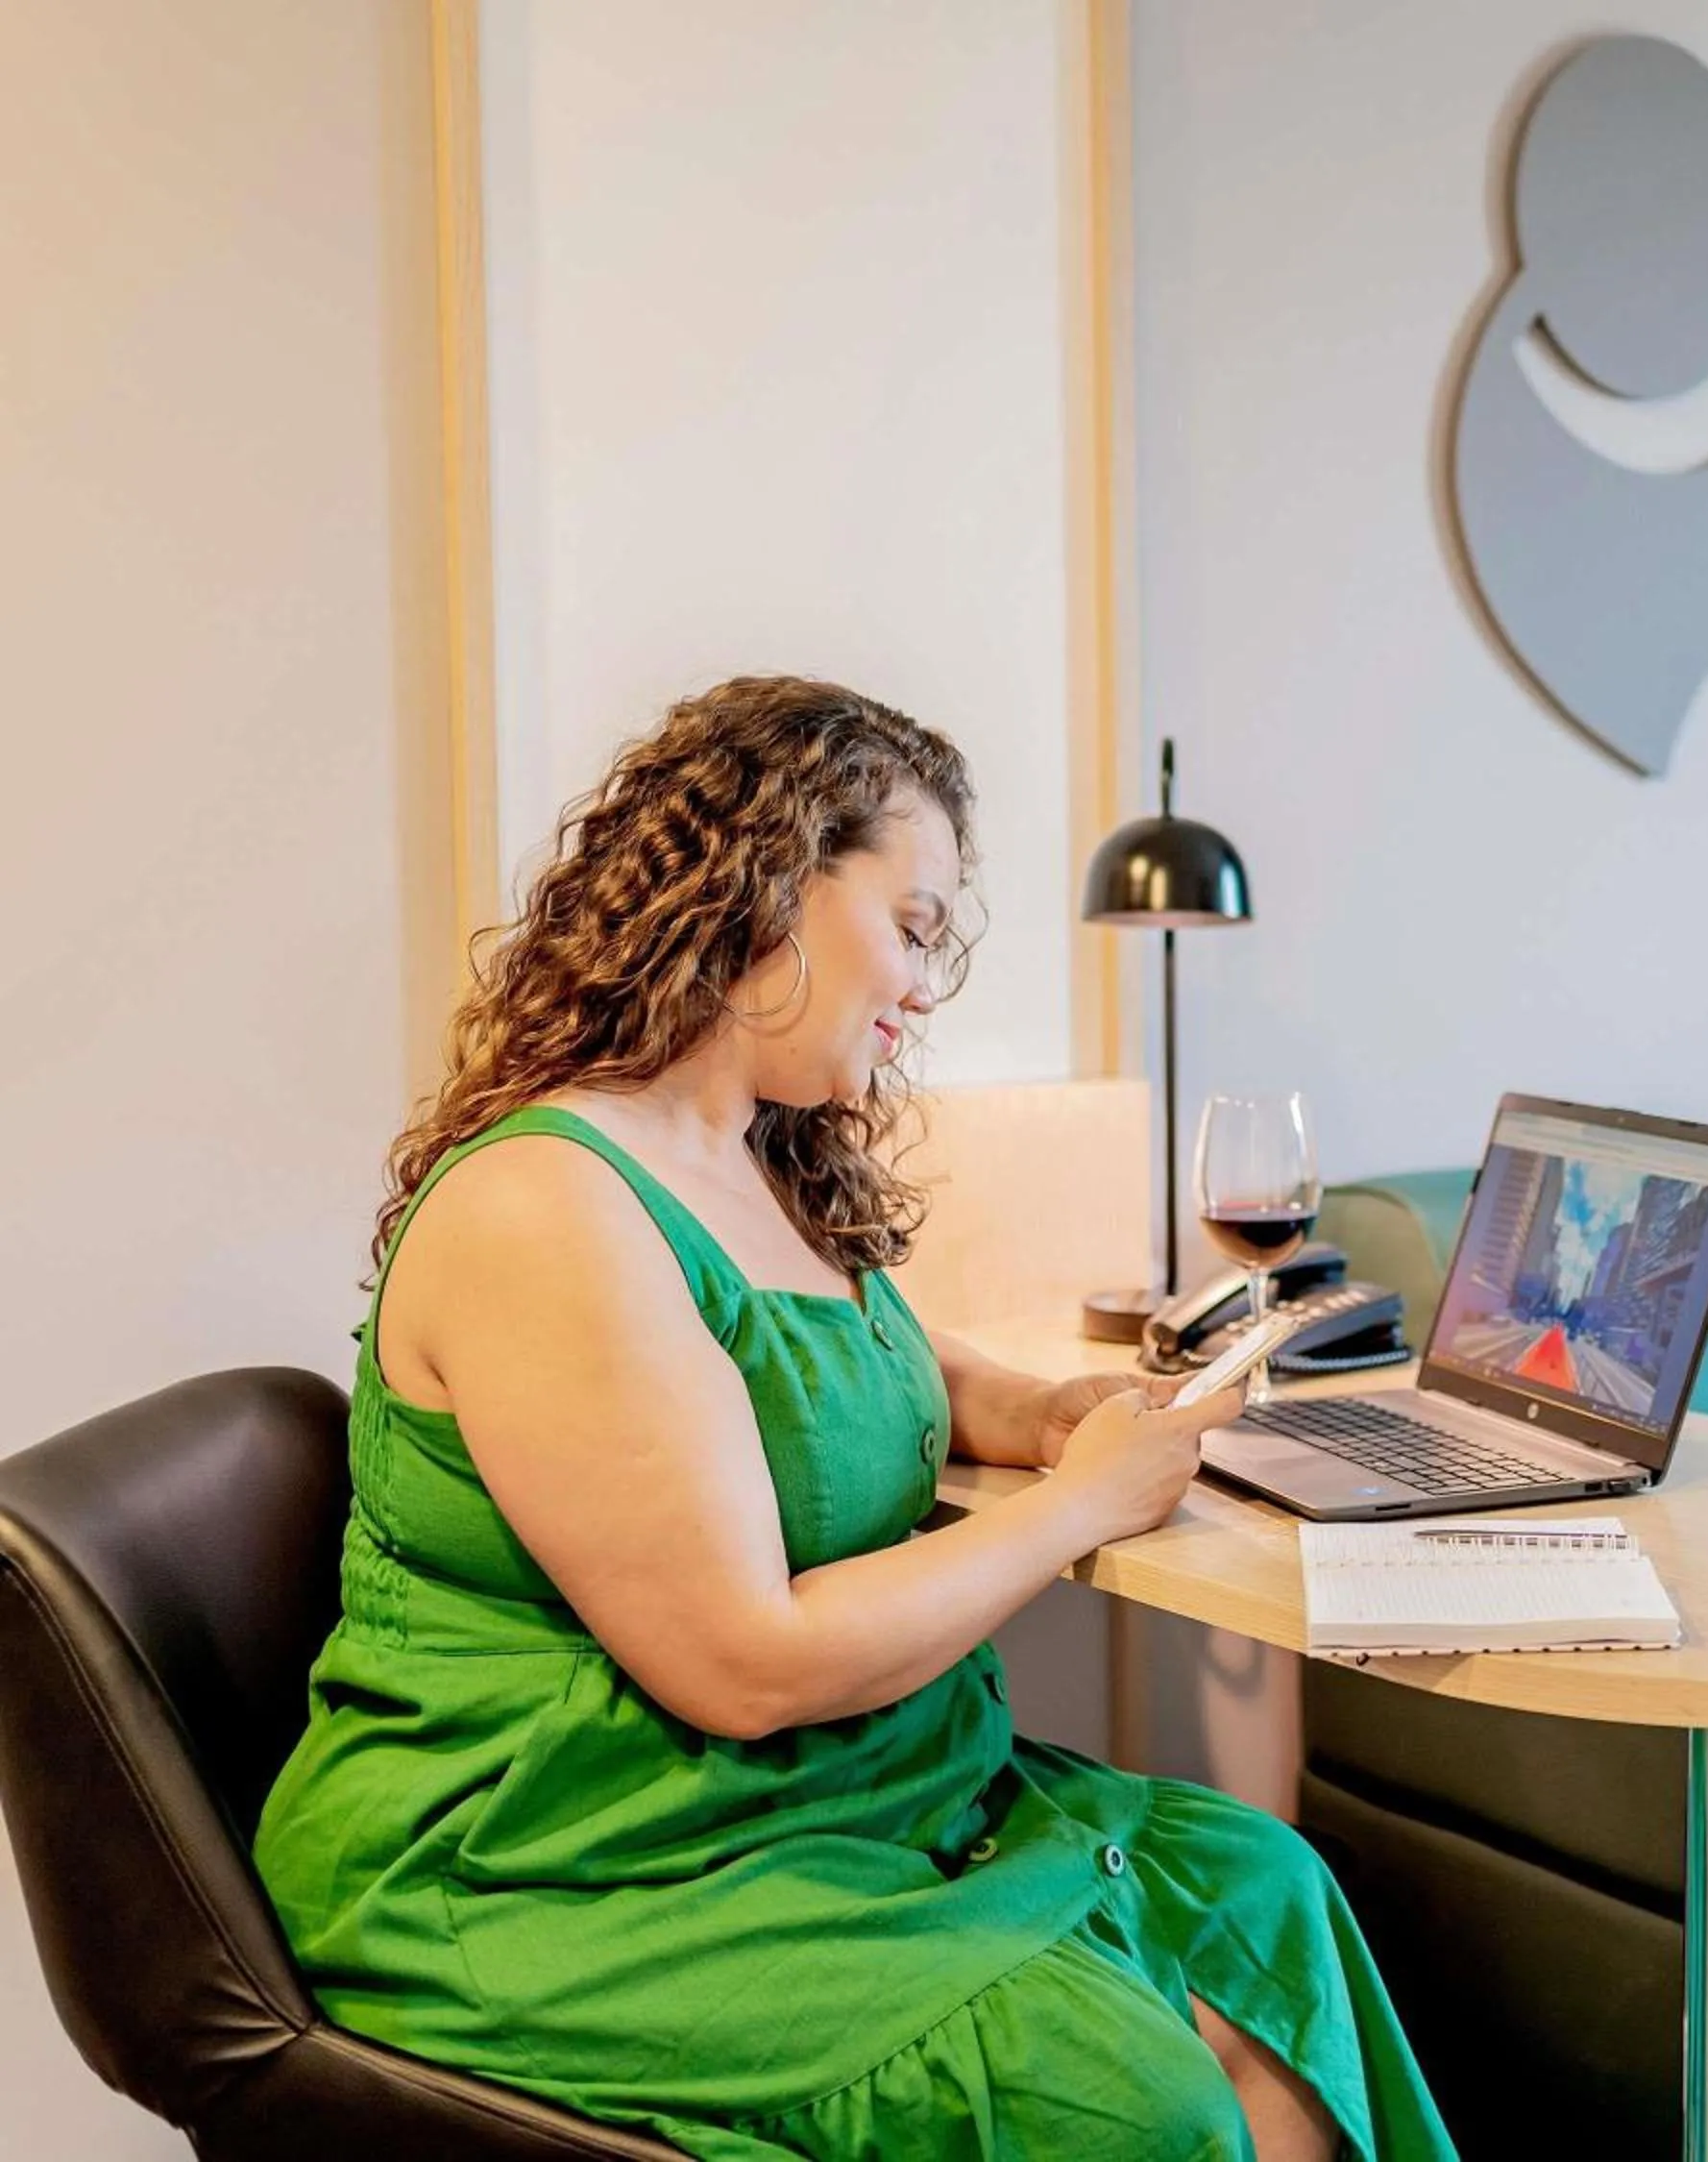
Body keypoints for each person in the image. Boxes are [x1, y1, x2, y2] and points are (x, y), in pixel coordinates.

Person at [252, 676, 1457, 2161]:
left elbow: (857, 1362)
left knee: (1266, 1894)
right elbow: (744, 1661)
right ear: (768, 880)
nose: (928, 986)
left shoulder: (745, 1150)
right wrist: (1080, 1500)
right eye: (915, 925)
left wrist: (1038, 1411)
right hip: (574, 1864)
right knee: (1132, 2099)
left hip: (821, 1806)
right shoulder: (544, 1209)